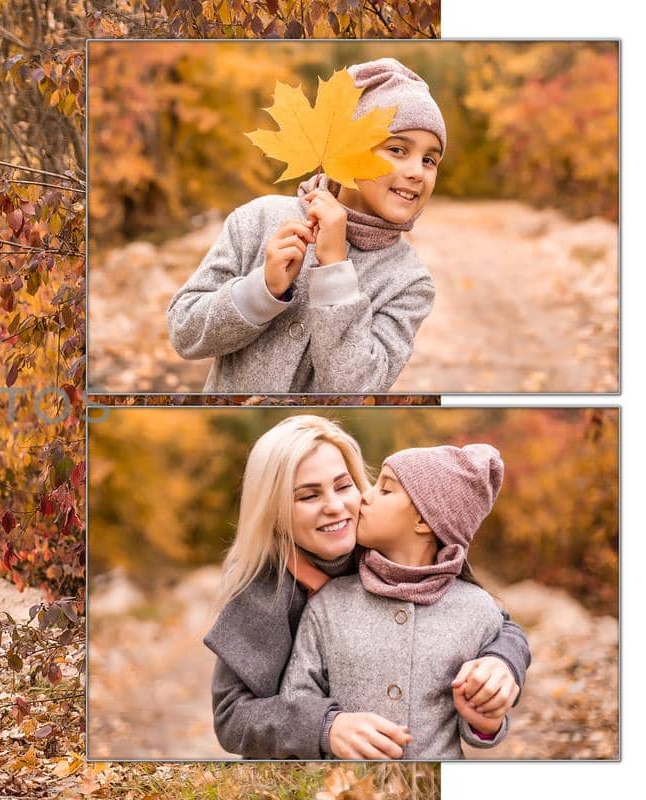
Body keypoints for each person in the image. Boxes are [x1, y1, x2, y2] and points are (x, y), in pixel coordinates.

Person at [202, 415, 529, 758]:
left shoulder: (395, 544)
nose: (336, 507)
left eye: (344, 486)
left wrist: (501, 664)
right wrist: (326, 728)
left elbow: (496, 624)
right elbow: (231, 719)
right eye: (308, 496)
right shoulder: (263, 593)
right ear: (276, 512)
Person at [166, 58, 441, 392]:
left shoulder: (410, 282)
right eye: (398, 149)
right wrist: (262, 289)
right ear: (348, 149)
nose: (416, 171)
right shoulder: (257, 219)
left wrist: (336, 272)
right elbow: (184, 332)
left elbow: (356, 392)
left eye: (430, 159)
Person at [283, 444, 513, 758]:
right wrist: (329, 728)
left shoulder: (478, 610)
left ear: (424, 520)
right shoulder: (329, 603)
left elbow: (481, 726)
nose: (365, 495)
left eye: (386, 489)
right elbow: (296, 701)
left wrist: (485, 719)